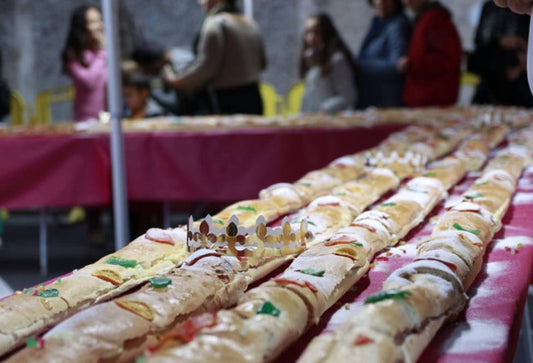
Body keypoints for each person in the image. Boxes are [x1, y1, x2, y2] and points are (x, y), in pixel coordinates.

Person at [163, 0, 266, 115]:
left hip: (227, 103)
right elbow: (262, 63)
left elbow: (206, 68)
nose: (200, 2)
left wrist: (177, 81)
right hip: (254, 98)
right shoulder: (249, 23)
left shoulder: (215, 24)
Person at [399, 0, 462, 107]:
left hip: (434, 96)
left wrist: (412, 63)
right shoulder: (422, 17)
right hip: (423, 95)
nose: (406, 1)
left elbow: (447, 58)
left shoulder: (436, 19)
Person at [468, 1, 533, 106]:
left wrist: (525, 59)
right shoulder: (488, 7)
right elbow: (478, 47)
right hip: (490, 81)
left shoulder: (525, 7)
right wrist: (500, 42)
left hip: (522, 84)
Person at [299, 13, 358, 113]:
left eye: (316, 32)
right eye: (308, 32)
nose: (311, 38)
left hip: (333, 121)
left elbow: (349, 96)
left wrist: (324, 109)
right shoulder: (311, 61)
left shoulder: (337, 60)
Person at [358, 0, 411, 108]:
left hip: (387, 101)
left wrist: (362, 65)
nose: (380, 2)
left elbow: (397, 65)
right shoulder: (378, 22)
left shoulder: (397, 25)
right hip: (373, 96)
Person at [61, 5, 107, 122]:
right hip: (87, 119)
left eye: (99, 20)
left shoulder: (104, 52)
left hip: (108, 117)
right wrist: (102, 52)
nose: (99, 26)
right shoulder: (74, 54)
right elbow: (89, 82)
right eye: (92, 22)